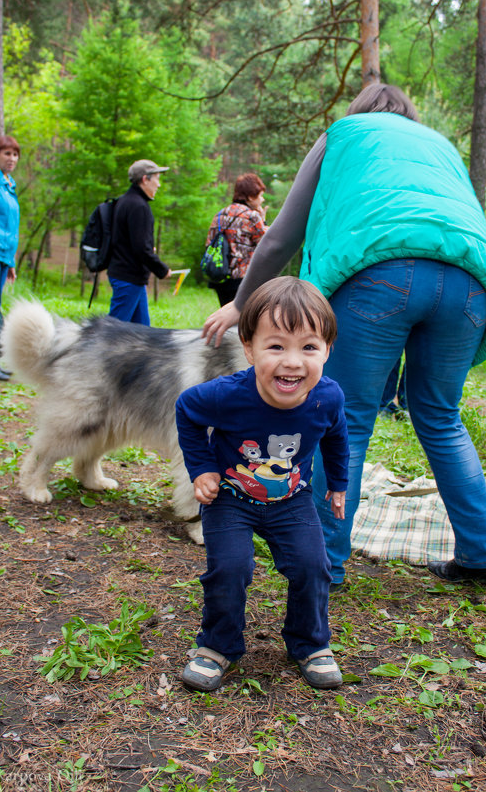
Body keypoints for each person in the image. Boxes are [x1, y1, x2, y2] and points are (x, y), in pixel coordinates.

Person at [202, 84, 486, 588]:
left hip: (378, 275)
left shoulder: (343, 134)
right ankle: (481, 555)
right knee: (442, 417)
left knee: (346, 418)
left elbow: (281, 235)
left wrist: (241, 303)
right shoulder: (438, 145)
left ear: (360, 112)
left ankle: (324, 562)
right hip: (471, 281)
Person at [176, 276, 349, 692]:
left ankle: (309, 643)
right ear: (249, 348)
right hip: (230, 498)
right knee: (230, 568)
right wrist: (202, 470)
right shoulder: (226, 395)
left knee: (313, 566)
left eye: (309, 347)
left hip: (291, 500)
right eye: (276, 346)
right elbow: (187, 411)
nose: (292, 361)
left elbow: (338, 436)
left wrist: (338, 483)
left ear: (327, 349)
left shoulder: (329, 397)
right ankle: (217, 645)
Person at [107, 159, 171, 326]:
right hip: (128, 277)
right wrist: (162, 269)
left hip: (130, 277)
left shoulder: (125, 201)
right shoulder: (138, 206)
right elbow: (141, 248)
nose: (159, 185)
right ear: (145, 179)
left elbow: (130, 241)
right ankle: (90, 353)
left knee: (142, 333)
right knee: (112, 334)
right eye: (157, 178)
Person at [205, 173, 268, 307]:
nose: (262, 200)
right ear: (250, 196)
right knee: (244, 321)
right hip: (243, 280)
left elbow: (209, 243)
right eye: (260, 195)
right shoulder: (251, 216)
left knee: (227, 318)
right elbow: (264, 245)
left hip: (220, 277)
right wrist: (263, 220)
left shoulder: (220, 214)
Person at [0, 135, 20, 382]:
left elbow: (9, 225)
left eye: (15, 154)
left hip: (2, 256)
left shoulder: (8, 184)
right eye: (6, 154)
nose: (12, 159)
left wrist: (10, 260)